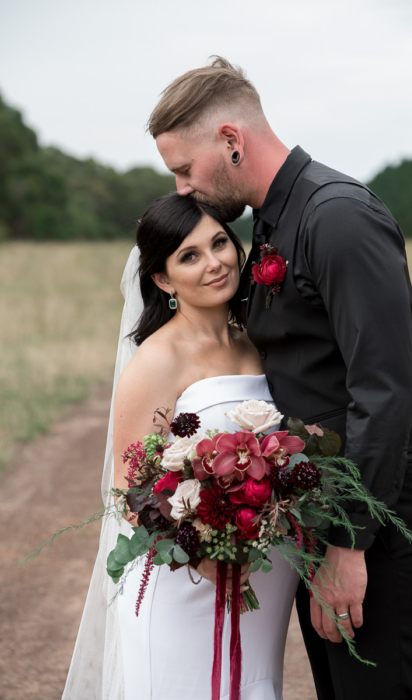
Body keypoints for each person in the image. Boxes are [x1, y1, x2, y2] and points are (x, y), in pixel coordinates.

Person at [148, 56, 412, 700]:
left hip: (381, 510)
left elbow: (384, 386)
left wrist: (347, 543)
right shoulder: (271, 222)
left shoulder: (336, 217)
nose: (180, 190)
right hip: (330, 510)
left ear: (231, 141)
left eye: (183, 169)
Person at [62, 193, 299, 700]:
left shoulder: (258, 342)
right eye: (189, 256)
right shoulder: (156, 361)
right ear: (163, 280)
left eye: (219, 243)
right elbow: (132, 490)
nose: (214, 263)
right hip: (184, 579)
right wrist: (200, 555)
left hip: (264, 571)